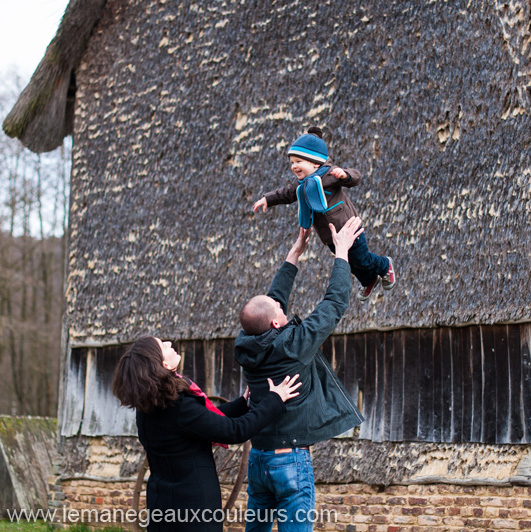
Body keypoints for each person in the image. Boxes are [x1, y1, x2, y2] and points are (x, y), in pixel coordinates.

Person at [234, 217, 366, 532]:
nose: (284, 309)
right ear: (277, 325)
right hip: (289, 460)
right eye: (281, 313)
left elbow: (270, 303)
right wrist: (342, 254)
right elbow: (334, 303)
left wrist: (294, 255)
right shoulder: (293, 345)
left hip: (260, 459)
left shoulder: (247, 346)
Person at [112, 336, 302, 532]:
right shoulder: (178, 406)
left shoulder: (149, 407)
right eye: (163, 345)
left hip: (163, 506)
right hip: (192, 511)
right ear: (163, 364)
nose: (169, 344)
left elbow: (203, 423)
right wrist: (275, 400)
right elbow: (234, 431)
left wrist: (243, 403)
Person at [252, 126, 397, 302]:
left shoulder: (329, 174)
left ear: (315, 162)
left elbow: (356, 177)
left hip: (349, 229)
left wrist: (345, 175)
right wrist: (267, 199)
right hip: (330, 236)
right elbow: (285, 193)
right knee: (349, 263)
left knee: (362, 259)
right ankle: (369, 280)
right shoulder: (302, 184)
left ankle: (384, 265)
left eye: (298, 161)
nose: (294, 166)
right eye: (292, 162)